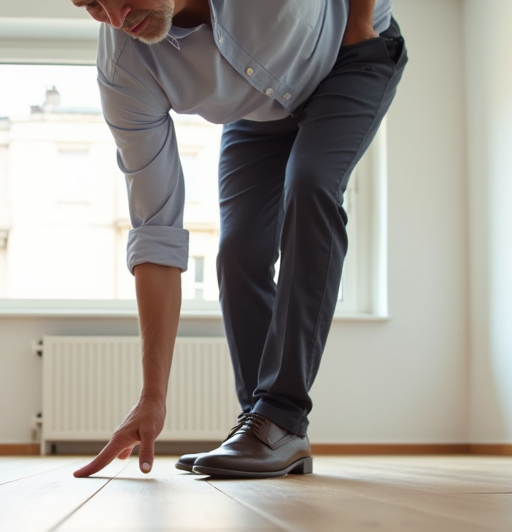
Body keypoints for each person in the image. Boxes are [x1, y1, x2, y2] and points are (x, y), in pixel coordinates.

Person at [71, 0, 407, 479]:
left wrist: (357, 24)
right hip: (258, 112)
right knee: (237, 252)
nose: (115, 17)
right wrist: (152, 397)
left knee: (310, 185)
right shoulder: (124, 67)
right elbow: (156, 231)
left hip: (345, 58)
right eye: (89, 3)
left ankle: (282, 418)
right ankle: (261, 428)